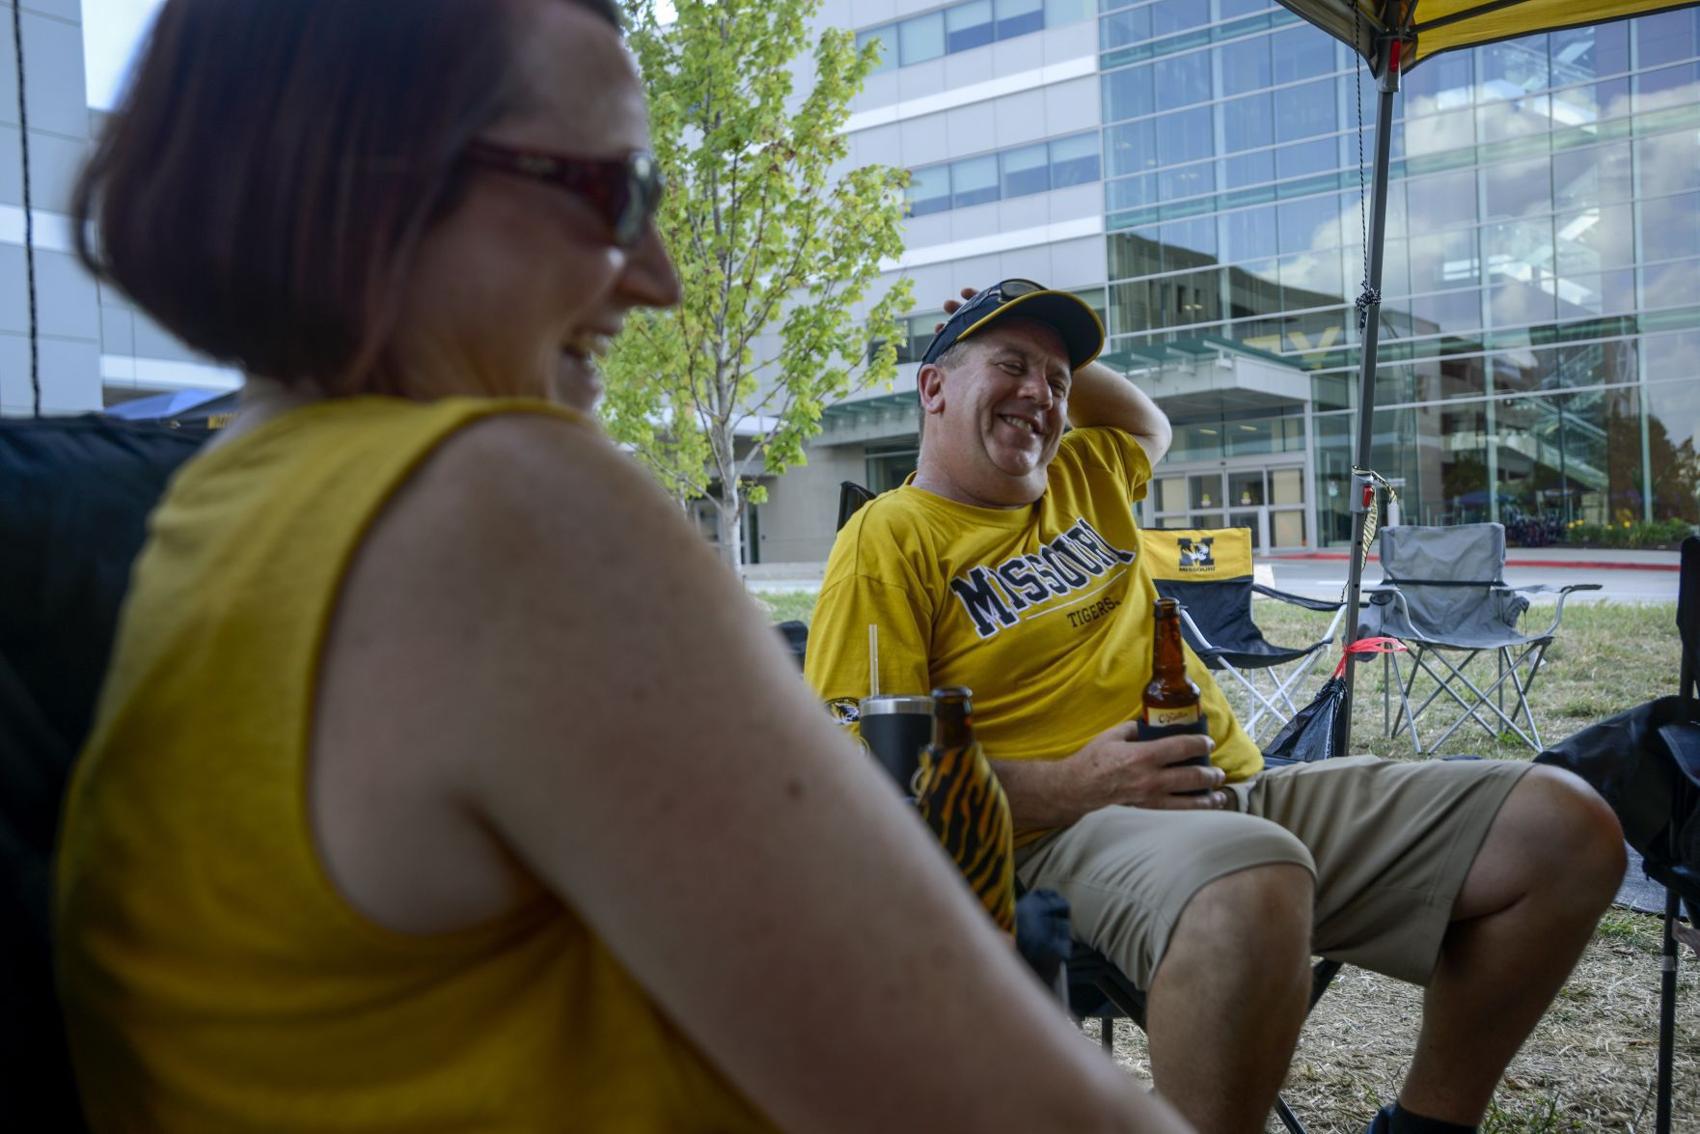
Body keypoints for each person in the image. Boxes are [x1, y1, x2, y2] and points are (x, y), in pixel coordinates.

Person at [52, 6, 1191, 1132]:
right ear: (368, 177)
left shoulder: (217, 506)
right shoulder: (499, 504)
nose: (657, 278)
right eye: (609, 196)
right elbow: (1011, 1104)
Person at [804, 279, 1629, 1134]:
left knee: (1564, 827)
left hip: (1240, 792)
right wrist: (1081, 783)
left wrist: (1044, 350)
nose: (1041, 396)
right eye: (1009, 367)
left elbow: (1144, 423)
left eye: (1057, 382)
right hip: (1055, 840)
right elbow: (864, 787)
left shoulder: (1083, 473)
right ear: (932, 389)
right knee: (1253, 880)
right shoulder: (888, 540)